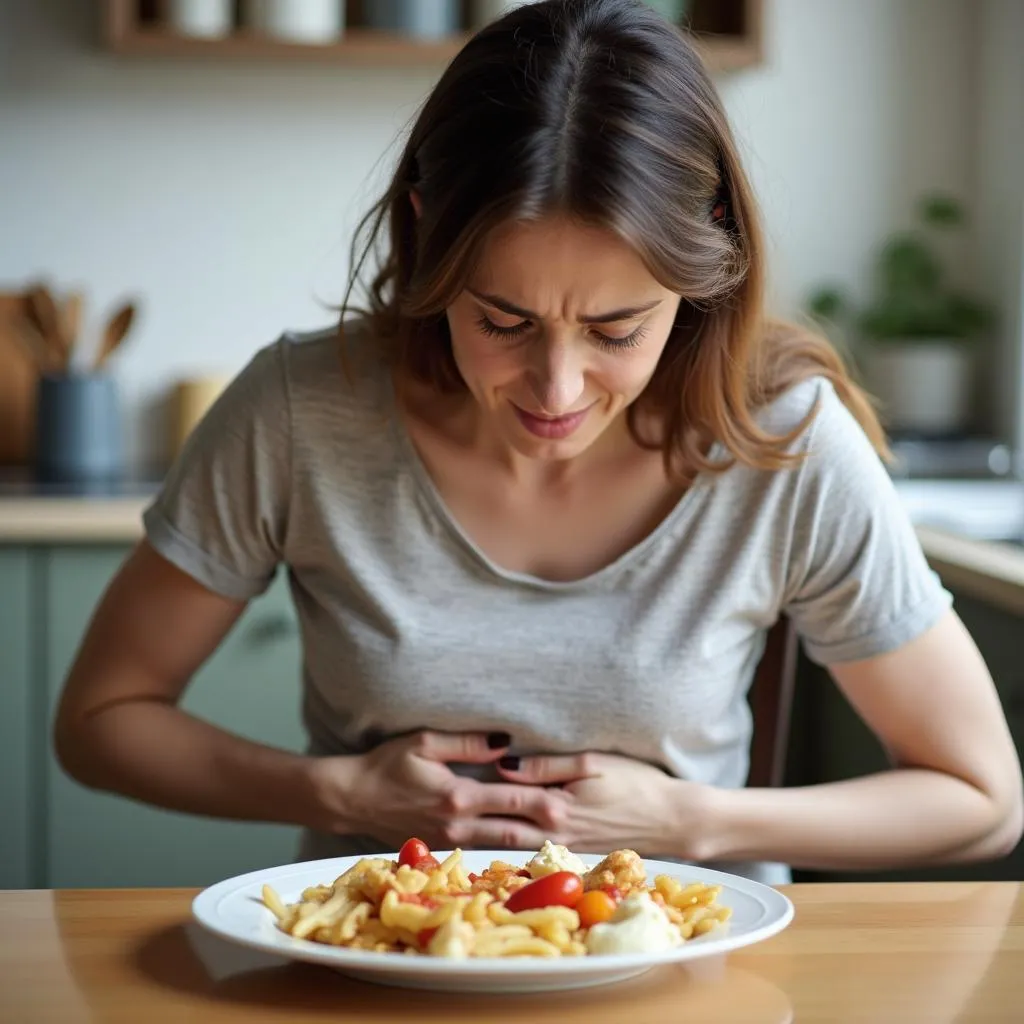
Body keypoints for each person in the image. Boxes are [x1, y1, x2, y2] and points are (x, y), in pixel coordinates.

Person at [53, 0, 1022, 886]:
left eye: (615, 329)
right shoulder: (302, 411)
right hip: (374, 981)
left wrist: (692, 819)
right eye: (502, 321)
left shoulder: (784, 443)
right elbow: (99, 722)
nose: (556, 390)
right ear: (428, 237)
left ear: (704, 261)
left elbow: (981, 799)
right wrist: (341, 793)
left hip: (678, 980)